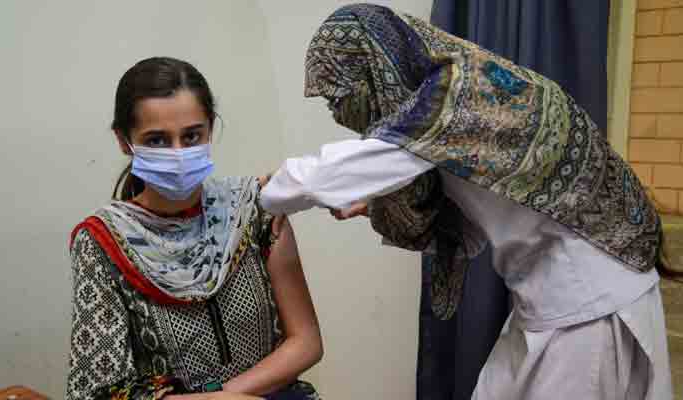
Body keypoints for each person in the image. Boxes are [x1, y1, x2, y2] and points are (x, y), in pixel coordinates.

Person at [259, 4, 674, 399]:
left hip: (588, 301)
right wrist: (374, 204)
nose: (339, 113)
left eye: (341, 95)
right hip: (550, 295)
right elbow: (471, 224)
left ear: (376, 67)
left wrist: (262, 194)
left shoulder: (453, 99)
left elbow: (336, 170)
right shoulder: (454, 110)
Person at [64, 57, 322, 400]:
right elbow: (98, 392)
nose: (178, 153)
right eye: (157, 140)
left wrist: (225, 395)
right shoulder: (102, 240)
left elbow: (305, 341)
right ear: (124, 141)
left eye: (191, 136)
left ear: (210, 128)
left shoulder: (254, 208)